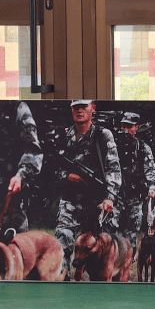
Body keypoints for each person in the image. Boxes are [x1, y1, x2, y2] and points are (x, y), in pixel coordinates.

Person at [53, 100, 121, 278]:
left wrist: (110, 198)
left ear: (93, 108)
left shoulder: (103, 135)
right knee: (63, 240)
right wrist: (66, 176)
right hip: (71, 200)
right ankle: (63, 282)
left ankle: (101, 285)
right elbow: (50, 169)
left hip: (98, 201)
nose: (79, 111)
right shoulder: (63, 136)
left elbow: (113, 168)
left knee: (104, 246)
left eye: (84, 107)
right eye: (76, 107)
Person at [0, 100, 43, 236]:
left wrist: (21, 176)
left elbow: (33, 150)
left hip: (6, 194)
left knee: (14, 249)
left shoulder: (16, 109)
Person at [117, 112, 155, 253]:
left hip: (134, 196)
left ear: (136, 127)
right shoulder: (112, 145)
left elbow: (151, 171)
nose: (125, 129)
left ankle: (128, 261)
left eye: (129, 126)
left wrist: (152, 187)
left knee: (131, 230)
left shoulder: (142, 148)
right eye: (123, 126)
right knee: (110, 228)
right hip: (114, 195)